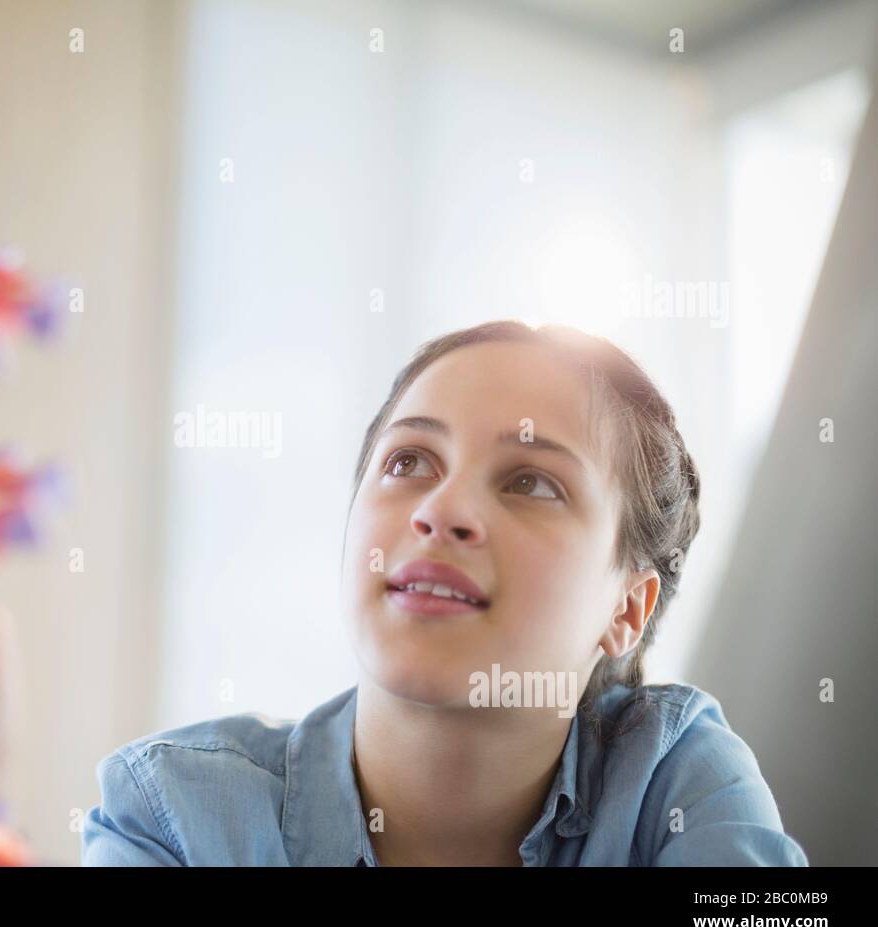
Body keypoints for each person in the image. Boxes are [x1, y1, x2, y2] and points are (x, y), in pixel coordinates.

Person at [80, 320, 809, 866]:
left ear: (626, 609)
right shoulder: (170, 815)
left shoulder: (676, 780)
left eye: (530, 482)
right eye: (410, 461)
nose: (442, 511)